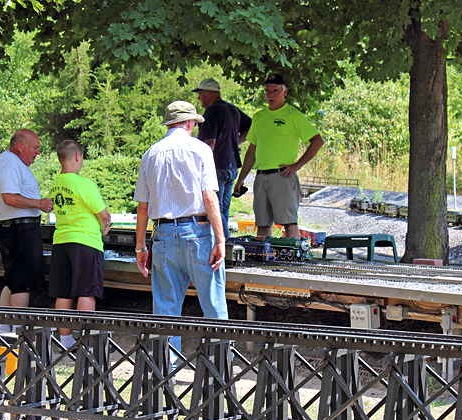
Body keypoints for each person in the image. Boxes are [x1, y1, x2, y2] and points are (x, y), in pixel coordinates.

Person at [134, 101, 228, 367]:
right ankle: (220, 370)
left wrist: (140, 247)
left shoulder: (150, 154)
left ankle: (165, 371)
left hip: (162, 235)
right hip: (198, 233)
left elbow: (143, 207)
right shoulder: (200, 149)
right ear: (189, 123)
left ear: (169, 123)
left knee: (165, 309)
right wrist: (220, 240)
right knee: (213, 305)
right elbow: (209, 197)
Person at [234, 74, 324, 239]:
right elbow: (252, 151)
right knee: (262, 222)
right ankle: (264, 254)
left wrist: (296, 165)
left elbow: (317, 141)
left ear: (284, 92)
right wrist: (241, 179)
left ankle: (293, 253)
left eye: (275, 91)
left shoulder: (293, 115)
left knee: (289, 221)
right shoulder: (259, 116)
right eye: (267, 91)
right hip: (261, 176)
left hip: (282, 176)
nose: (271, 95)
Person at [47, 140, 111, 350]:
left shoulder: (55, 184)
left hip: (61, 241)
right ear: (77, 156)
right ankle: (85, 340)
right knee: (86, 291)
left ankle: (65, 340)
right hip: (86, 242)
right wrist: (103, 230)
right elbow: (104, 215)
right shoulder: (84, 184)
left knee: (63, 292)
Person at [0, 129, 53, 315]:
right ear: (20, 146)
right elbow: (9, 197)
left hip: (15, 227)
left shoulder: (9, 161)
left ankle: (5, 325)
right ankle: (17, 328)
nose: (38, 152)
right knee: (22, 284)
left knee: (13, 280)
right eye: (35, 148)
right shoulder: (10, 163)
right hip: (19, 229)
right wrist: (39, 203)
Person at [192, 78, 252, 239]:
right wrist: (233, 143)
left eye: (200, 94)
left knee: (214, 211)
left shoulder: (212, 111)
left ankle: (221, 245)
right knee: (223, 211)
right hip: (231, 167)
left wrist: (197, 166)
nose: (198, 98)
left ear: (208, 93)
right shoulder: (232, 109)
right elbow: (251, 127)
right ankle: (225, 244)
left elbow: (209, 143)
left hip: (216, 167)